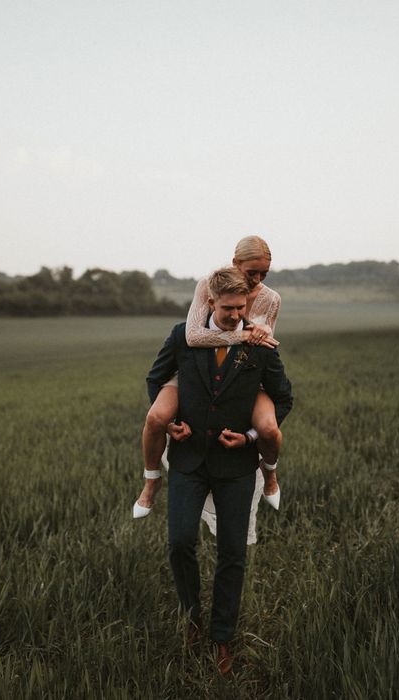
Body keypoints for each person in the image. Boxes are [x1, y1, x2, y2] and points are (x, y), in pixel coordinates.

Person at [145, 266, 293, 674]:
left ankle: (222, 637)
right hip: (189, 461)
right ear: (210, 303)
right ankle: (192, 620)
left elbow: (283, 399)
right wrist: (172, 422)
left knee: (232, 554)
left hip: (236, 467)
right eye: (228, 308)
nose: (236, 316)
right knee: (179, 543)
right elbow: (156, 379)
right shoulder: (183, 336)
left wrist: (249, 436)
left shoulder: (259, 343)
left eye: (241, 308)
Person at [134, 236, 283, 545]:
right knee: (156, 417)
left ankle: (270, 476)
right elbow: (193, 336)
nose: (257, 280)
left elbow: (264, 346)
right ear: (235, 264)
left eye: (264, 274)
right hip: (197, 373)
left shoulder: (272, 299)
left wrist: (253, 341)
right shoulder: (207, 286)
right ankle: (151, 483)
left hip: (240, 374)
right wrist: (242, 336)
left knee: (268, 428)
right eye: (251, 272)